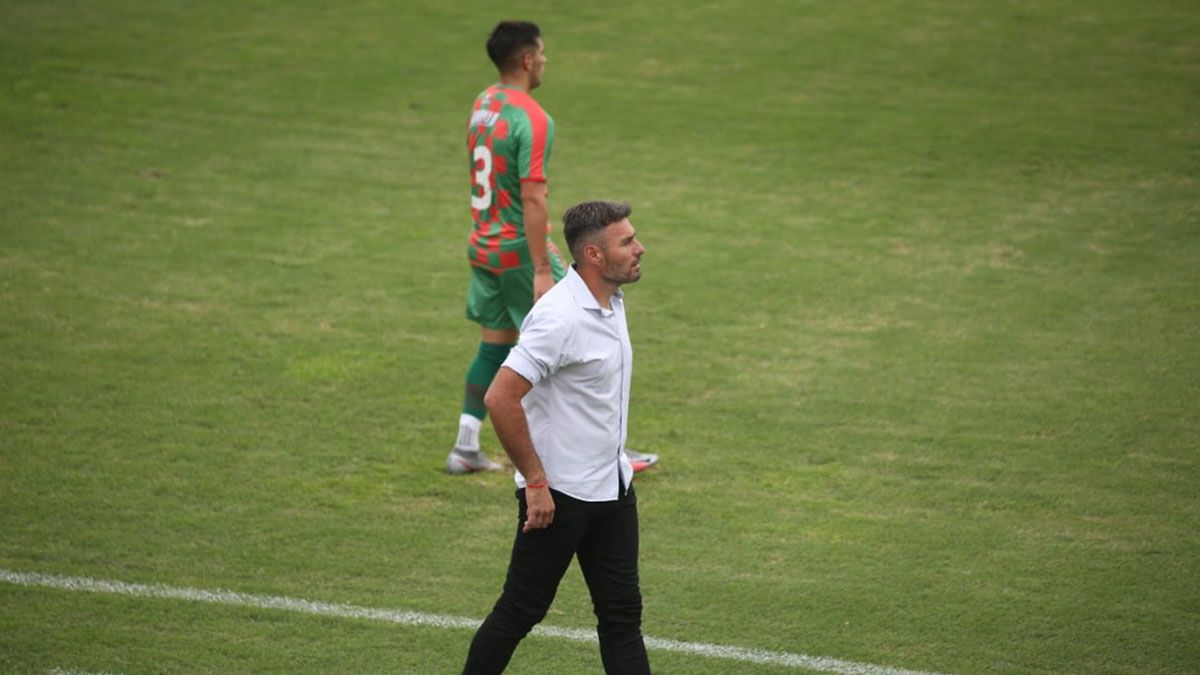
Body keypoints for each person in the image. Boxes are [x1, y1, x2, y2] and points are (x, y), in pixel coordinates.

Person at [447, 21, 658, 475]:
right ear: (526, 60)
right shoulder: (534, 118)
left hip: (482, 244)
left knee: (496, 342)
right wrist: (543, 267)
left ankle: (465, 446)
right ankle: (605, 454)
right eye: (541, 54)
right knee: (582, 331)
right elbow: (534, 196)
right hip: (520, 251)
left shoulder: (483, 104)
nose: (544, 61)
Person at [461, 201, 650, 674]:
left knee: (623, 618)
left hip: (612, 489)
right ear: (593, 255)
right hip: (559, 497)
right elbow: (501, 398)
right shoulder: (559, 318)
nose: (639, 248)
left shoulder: (609, 301)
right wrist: (536, 482)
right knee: (520, 611)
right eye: (626, 242)